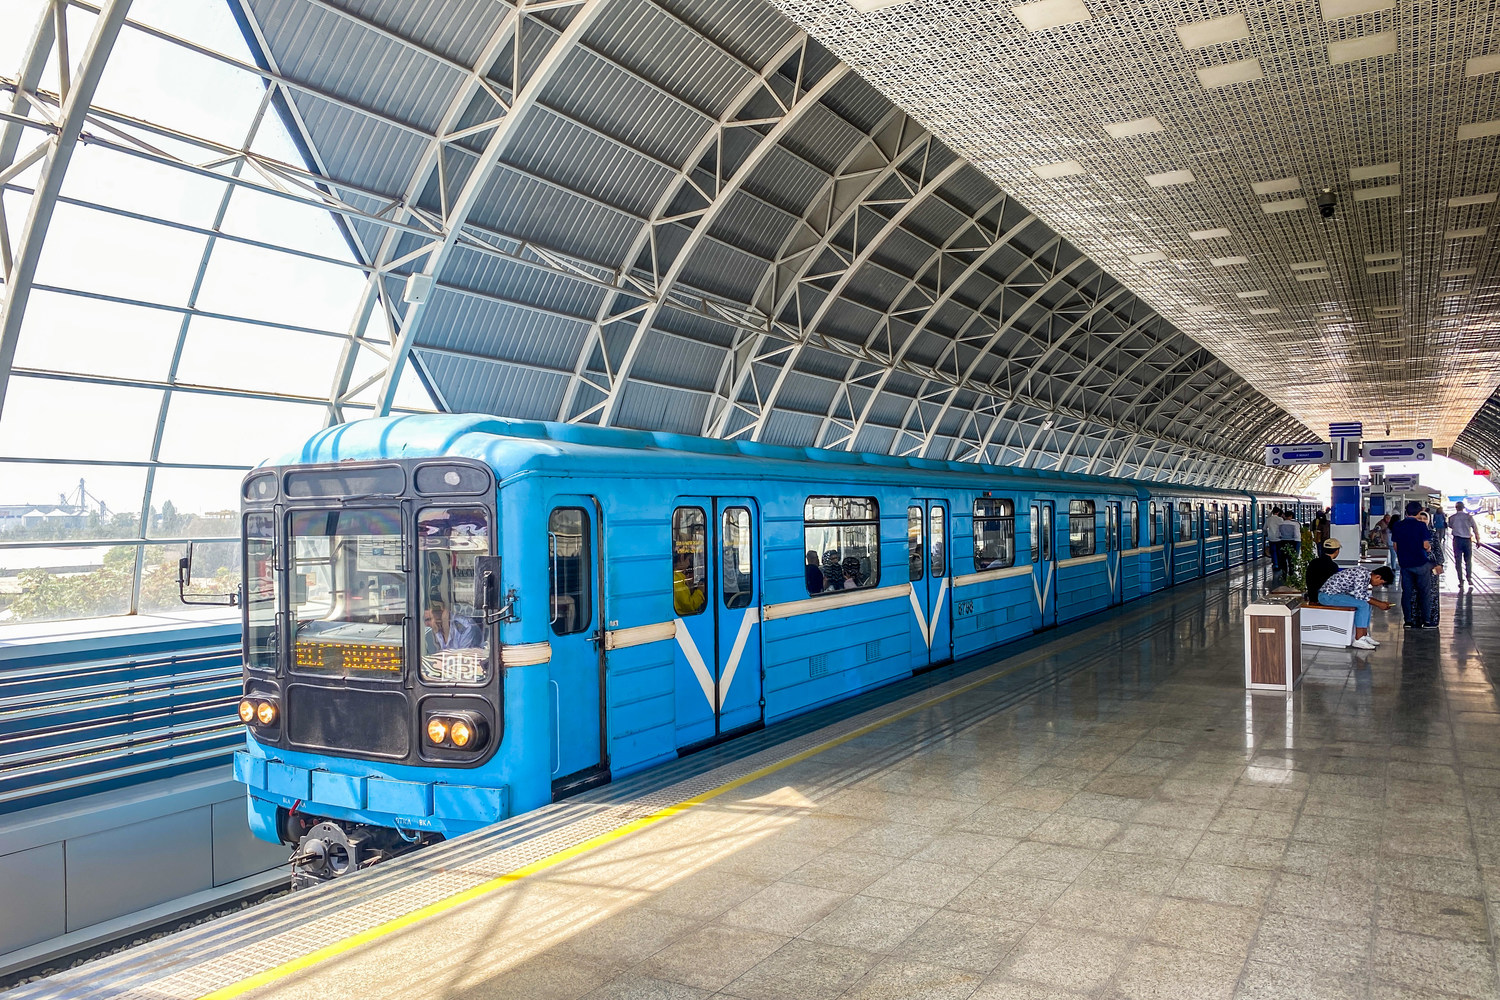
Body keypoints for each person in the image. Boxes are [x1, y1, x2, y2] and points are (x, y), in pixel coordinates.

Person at [1316, 565, 1396, 649]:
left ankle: (1364, 635)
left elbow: (1363, 596)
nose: (1379, 585)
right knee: (1363, 604)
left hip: (1336, 595)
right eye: (1381, 583)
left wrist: (1380, 603)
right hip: (1327, 596)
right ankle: (1359, 639)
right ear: (1377, 576)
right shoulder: (1362, 574)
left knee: (1367, 603)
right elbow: (1360, 595)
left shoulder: (1365, 575)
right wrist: (1379, 604)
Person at [1390, 500, 1437, 629]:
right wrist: (1428, 549)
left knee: (1407, 593)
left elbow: (1395, 546)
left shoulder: (1398, 526)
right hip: (1421, 563)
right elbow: (1425, 545)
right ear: (1418, 512)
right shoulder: (1421, 526)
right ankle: (1426, 621)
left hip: (1405, 565)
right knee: (1424, 592)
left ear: (1406, 511)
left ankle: (1408, 621)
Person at [1305, 538, 1342, 604]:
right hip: (1325, 600)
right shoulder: (1333, 566)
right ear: (1337, 551)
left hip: (1312, 598)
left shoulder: (1313, 562)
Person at [1450, 501, 1477, 586]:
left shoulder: (1452, 517)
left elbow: (1450, 526)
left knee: (1458, 561)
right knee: (1468, 560)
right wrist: (1478, 540)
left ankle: (1461, 581)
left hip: (1457, 540)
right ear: (1464, 507)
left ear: (1456, 508)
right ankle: (1469, 578)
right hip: (1467, 540)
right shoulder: (1469, 517)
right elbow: (1475, 528)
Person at [1277, 509, 1301, 573]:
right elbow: (1296, 534)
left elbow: (1278, 534)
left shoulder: (1280, 524)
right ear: (1291, 516)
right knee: (1291, 558)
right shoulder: (1295, 524)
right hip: (1292, 542)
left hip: (1282, 542)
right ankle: (1291, 571)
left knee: (1283, 558)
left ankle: (1284, 571)